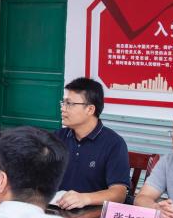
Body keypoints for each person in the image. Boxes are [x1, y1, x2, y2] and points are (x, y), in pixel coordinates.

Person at [52, 77, 129, 209]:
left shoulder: (114, 143)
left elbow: (119, 193)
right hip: (56, 209)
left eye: (69, 104)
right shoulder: (58, 137)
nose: (63, 109)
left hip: (92, 213)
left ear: (90, 109)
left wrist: (85, 198)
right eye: (63, 103)